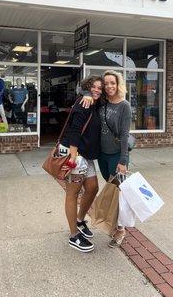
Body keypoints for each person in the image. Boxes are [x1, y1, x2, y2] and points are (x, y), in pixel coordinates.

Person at [80, 70, 132, 248]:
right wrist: (86, 94)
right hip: (102, 154)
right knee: (110, 189)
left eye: (113, 83)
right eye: (106, 84)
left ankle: (120, 230)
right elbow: (84, 90)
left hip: (117, 155)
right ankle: (113, 224)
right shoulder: (101, 102)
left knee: (117, 192)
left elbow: (125, 134)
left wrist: (123, 160)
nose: (109, 86)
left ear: (118, 84)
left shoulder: (124, 105)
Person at [60, 76, 103, 253]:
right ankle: (73, 236)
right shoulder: (83, 103)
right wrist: (72, 156)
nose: (97, 90)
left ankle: (79, 221)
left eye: (100, 88)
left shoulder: (95, 103)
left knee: (92, 187)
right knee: (73, 192)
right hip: (76, 154)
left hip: (87, 155)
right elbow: (75, 130)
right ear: (87, 87)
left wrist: (88, 94)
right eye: (93, 87)